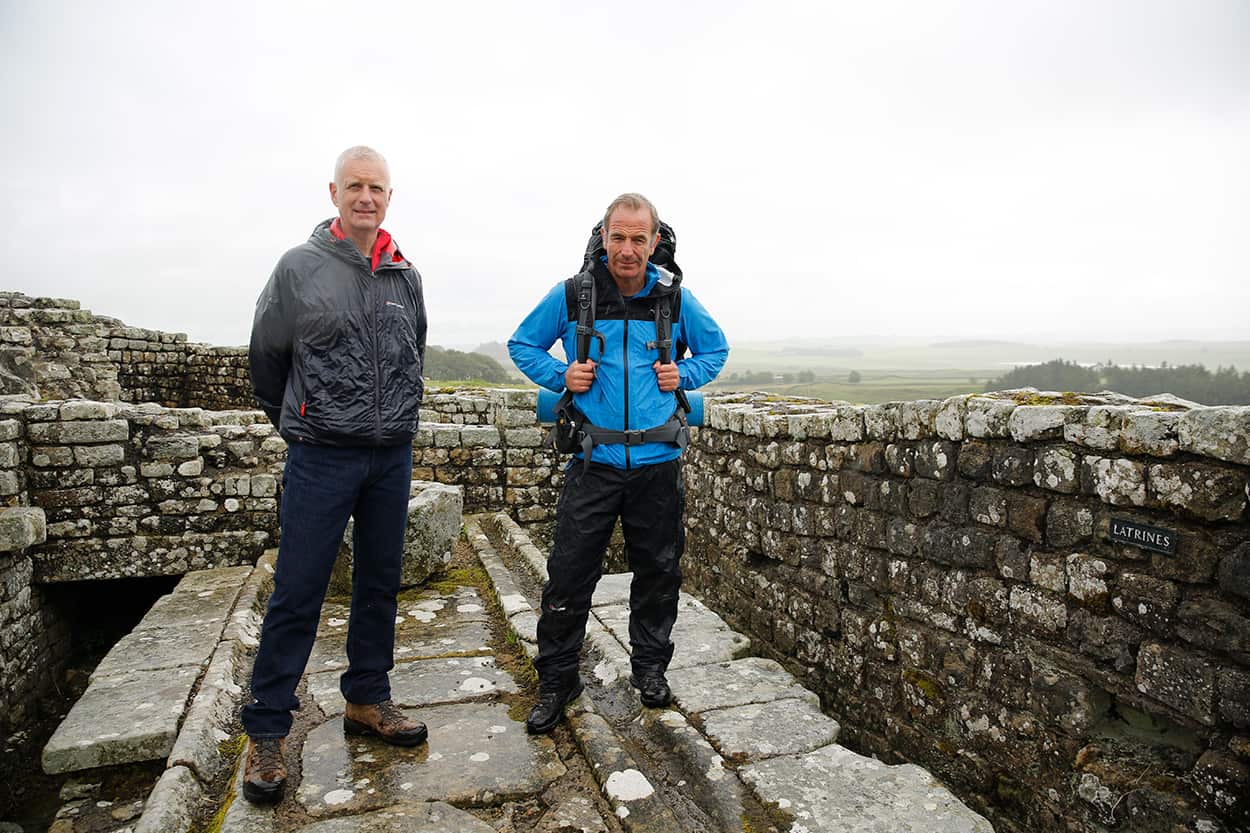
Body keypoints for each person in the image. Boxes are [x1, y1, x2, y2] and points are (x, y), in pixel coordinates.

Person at [241, 146, 429, 805]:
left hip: (389, 455)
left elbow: (414, 354)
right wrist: (302, 419)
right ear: (333, 192)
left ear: (388, 196)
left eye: (377, 187)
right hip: (321, 453)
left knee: (379, 583)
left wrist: (396, 421)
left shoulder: (406, 276)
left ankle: (368, 698)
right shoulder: (299, 268)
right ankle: (266, 730)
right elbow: (266, 358)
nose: (366, 197)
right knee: (297, 590)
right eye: (355, 186)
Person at [508, 193, 729, 734]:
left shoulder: (673, 299)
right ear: (602, 238)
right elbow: (522, 344)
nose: (627, 249)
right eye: (618, 237)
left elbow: (715, 350)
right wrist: (562, 376)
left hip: (658, 463)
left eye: (638, 238)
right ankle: (558, 681)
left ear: (655, 242)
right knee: (567, 577)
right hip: (594, 460)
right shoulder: (573, 294)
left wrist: (686, 376)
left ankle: (650, 671)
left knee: (658, 574)